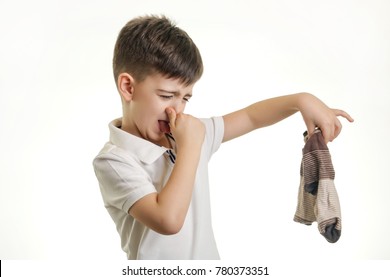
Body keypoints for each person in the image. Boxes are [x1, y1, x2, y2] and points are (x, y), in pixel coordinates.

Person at [92, 15, 354, 260]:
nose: (177, 109)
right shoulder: (115, 160)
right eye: (165, 95)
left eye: (185, 98)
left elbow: (252, 117)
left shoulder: (186, 133)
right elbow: (168, 220)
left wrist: (301, 100)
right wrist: (191, 146)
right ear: (128, 87)